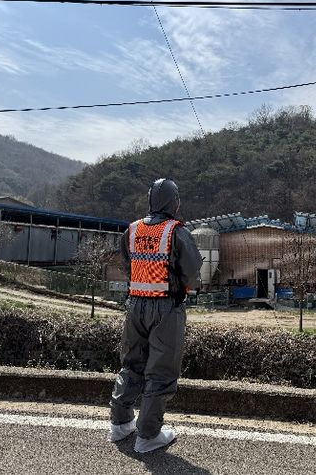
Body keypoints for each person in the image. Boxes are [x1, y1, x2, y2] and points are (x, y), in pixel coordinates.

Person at [108, 178, 202, 453]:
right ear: (174, 203)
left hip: (135, 305)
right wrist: (183, 288)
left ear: (151, 200)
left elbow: (129, 265)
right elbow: (192, 273)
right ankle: (148, 435)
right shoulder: (176, 232)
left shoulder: (132, 230)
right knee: (161, 371)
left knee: (131, 364)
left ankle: (120, 423)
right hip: (166, 307)